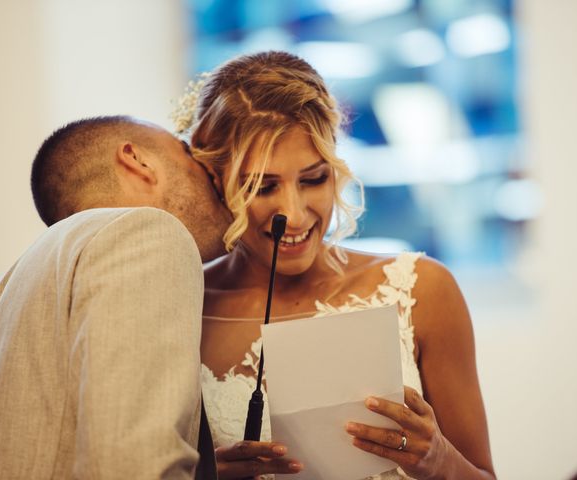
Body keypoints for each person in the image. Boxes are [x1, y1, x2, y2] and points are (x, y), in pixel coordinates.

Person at [179, 51, 496, 479]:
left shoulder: (423, 290)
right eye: (263, 186)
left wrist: (437, 459)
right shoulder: (184, 310)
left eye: (313, 179)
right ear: (215, 180)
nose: (293, 213)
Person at [0, 116, 230, 479]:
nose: (213, 175)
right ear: (137, 159)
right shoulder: (147, 233)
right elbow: (131, 466)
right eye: (188, 153)